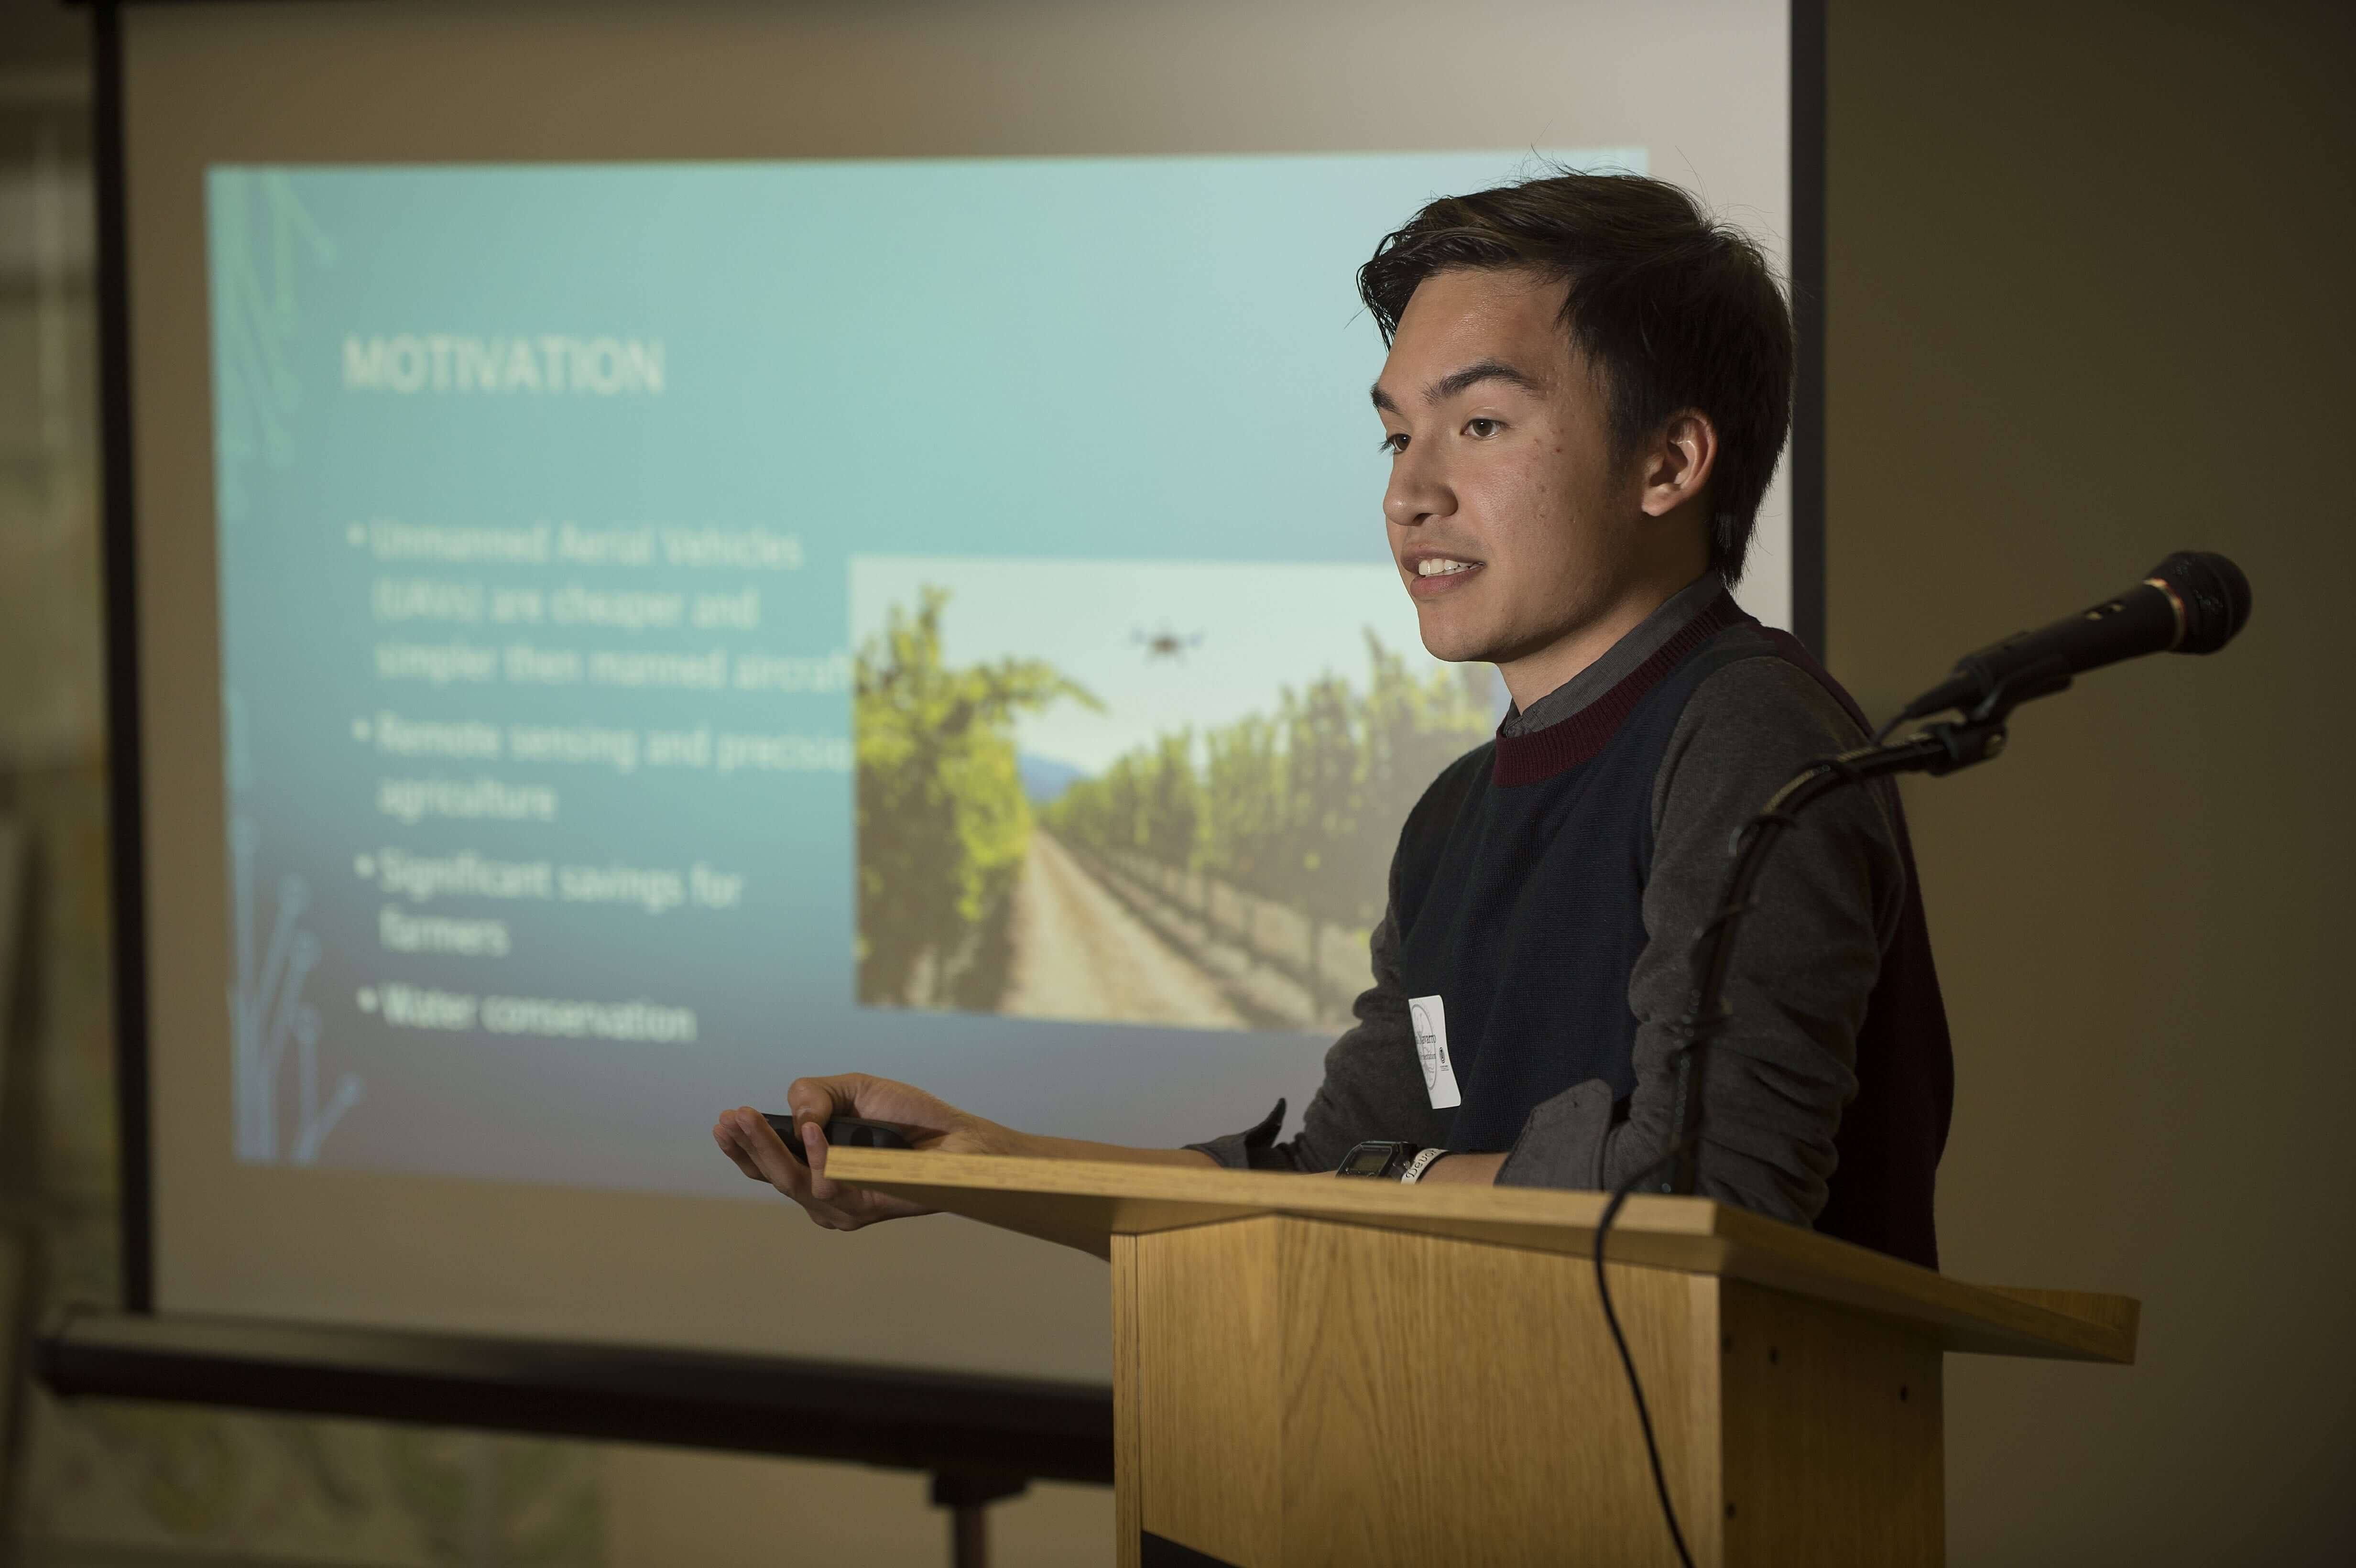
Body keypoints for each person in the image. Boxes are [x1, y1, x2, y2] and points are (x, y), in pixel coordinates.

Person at [713, 171, 1953, 1268]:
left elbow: (1704, 1195)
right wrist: (984, 1160)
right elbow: (1318, 1186)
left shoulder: (1749, 735)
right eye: (1395, 435)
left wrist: (1399, 1180)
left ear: (1669, 464)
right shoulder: (1453, 820)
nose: (1410, 494)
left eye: (1478, 426)